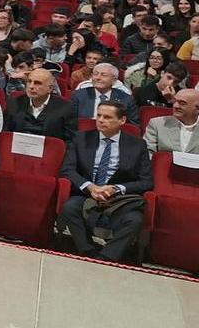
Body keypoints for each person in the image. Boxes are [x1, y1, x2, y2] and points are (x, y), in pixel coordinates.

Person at [60, 101, 152, 263]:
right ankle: (87, 250)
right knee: (70, 207)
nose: (101, 120)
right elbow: (68, 169)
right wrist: (90, 187)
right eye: (99, 115)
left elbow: (146, 181)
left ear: (122, 120)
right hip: (88, 193)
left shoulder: (137, 145)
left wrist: (116, 188)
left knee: (135, 220)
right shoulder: (81, 138)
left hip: (119, 199)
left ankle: (107, 257)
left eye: (107, 117)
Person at [4, 68, 76, 141]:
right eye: (29, 81)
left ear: (50, 88)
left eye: (37, 83)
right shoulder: (14, 103)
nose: (31, 86)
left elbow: (70, 141)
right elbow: (6, 135)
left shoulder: (66, 108)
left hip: (48, 147)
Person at [71, 63, 140, 125]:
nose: (98, 78)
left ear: (114, 80)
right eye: (95, 74)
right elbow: (71, 122)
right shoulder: (79, 95)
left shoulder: (126, 99)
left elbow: (133, 126)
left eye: (104, 75)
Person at [144, 87, 199, 155]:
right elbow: (147, 153)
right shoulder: (157, 124)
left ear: (197, 109)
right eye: (175, 101)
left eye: (182, 103)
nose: (175, 106)